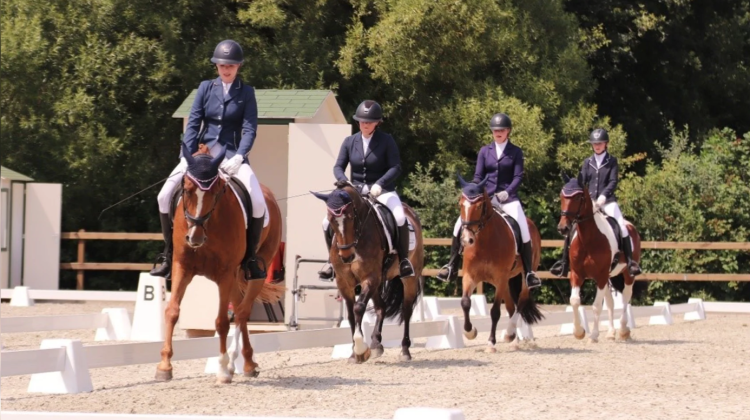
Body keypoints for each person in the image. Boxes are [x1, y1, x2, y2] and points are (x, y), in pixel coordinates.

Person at [151, 39, 267, 280]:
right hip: (201, 155)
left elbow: (250, 129)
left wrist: (239, 156)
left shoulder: (246, 93)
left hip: (232, 156)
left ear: (239, 67)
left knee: (258, 201)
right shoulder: (205, 88)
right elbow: (193, 123)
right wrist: (189, 154)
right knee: (163, 195)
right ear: (216, 65)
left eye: (231, 65)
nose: (226, 69)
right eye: (222, 65)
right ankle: (167, 254)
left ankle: (250, 259)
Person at [436, 113, 542, 289]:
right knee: (459, 225)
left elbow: (518, 176)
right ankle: (451, 266)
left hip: (509, 199)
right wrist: (474, 189)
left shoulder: (515, 152)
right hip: (486, 199)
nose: (498, 132)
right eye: (495, 130)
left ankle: (529, 272)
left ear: (508, 131)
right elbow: (478, 175)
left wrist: (507, 193)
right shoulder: (485, 151)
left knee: (523, 227)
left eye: (501, 130)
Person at [317, 100, 415, 281]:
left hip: (382, 191)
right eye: (361, 121)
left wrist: (379, 184)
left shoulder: (386, 141)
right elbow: (338, 166)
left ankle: (403, 261)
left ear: (377, 123)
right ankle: (331, 261)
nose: (364, 124)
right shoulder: (349, 142)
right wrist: (344, 181)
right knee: (326, 222)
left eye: (369, 122)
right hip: (355, 192)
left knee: (400, 217)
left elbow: (395, 167)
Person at [550, 128, 642, 277]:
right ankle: (564, 263)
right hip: (590, 203)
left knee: (622, 227)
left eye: (600, 143)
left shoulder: (612, 161)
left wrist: (604, 196)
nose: (597, 146)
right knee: (572, 229)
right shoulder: (588, 162)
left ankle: (630, 263)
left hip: (608, 202)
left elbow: (613, 181)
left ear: (606, 144)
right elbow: (583, 181)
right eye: (594, 143)